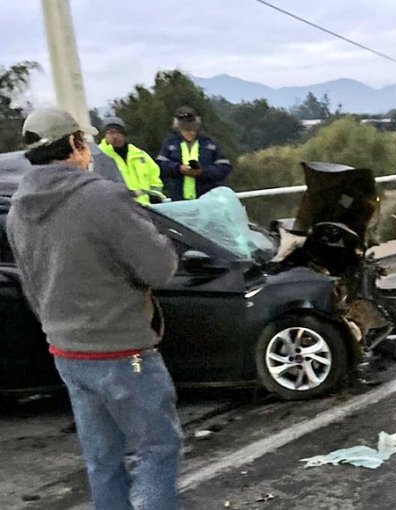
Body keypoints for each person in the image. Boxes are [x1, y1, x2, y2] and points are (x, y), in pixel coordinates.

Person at [5, 108, 182, 509]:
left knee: (103, 460)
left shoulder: (18, 209)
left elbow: (31, 285)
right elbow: (159, 268)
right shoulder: (100, 197)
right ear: (73, 144)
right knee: (158, 448)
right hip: (124, 353)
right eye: (84, 142)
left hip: (68, 354)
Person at [156, 106, 232, 201]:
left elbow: (224, 167)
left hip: (206, 200)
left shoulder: (209, 143)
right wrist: (178, 169)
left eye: (190, 123)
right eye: (184, 125)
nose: (188, 128)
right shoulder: (169, 143)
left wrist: (202, 172)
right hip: (177, 200)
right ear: (177, 125)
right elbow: (159, 167)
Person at [98, 116, 165, 205]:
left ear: (124, 134)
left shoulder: (140, 155)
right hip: (119, 208)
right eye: (110, 133)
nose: (115, 136)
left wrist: (156, 195)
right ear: (105, 135)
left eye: (118, 132)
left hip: (147, 207)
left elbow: (155, 178)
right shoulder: (99, 156)